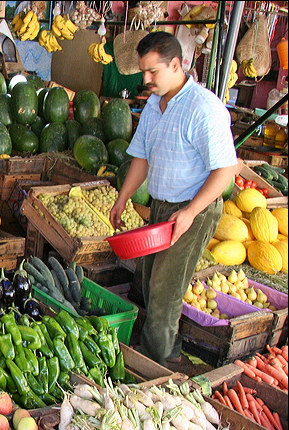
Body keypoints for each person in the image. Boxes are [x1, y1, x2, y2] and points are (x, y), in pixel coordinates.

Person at [109, 31, 237, 367]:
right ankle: (169, 349)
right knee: (150, 282)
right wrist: (122, 198)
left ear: (176, 64)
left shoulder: (203, 108)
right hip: (163, 206)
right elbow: (141, 158)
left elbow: (225, 171)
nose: (146, 79)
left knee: (165, 289)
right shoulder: (154, 105)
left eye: (153, 72)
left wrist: (191, 212)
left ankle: (155, 365)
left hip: (195, 207)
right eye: (143, 72)